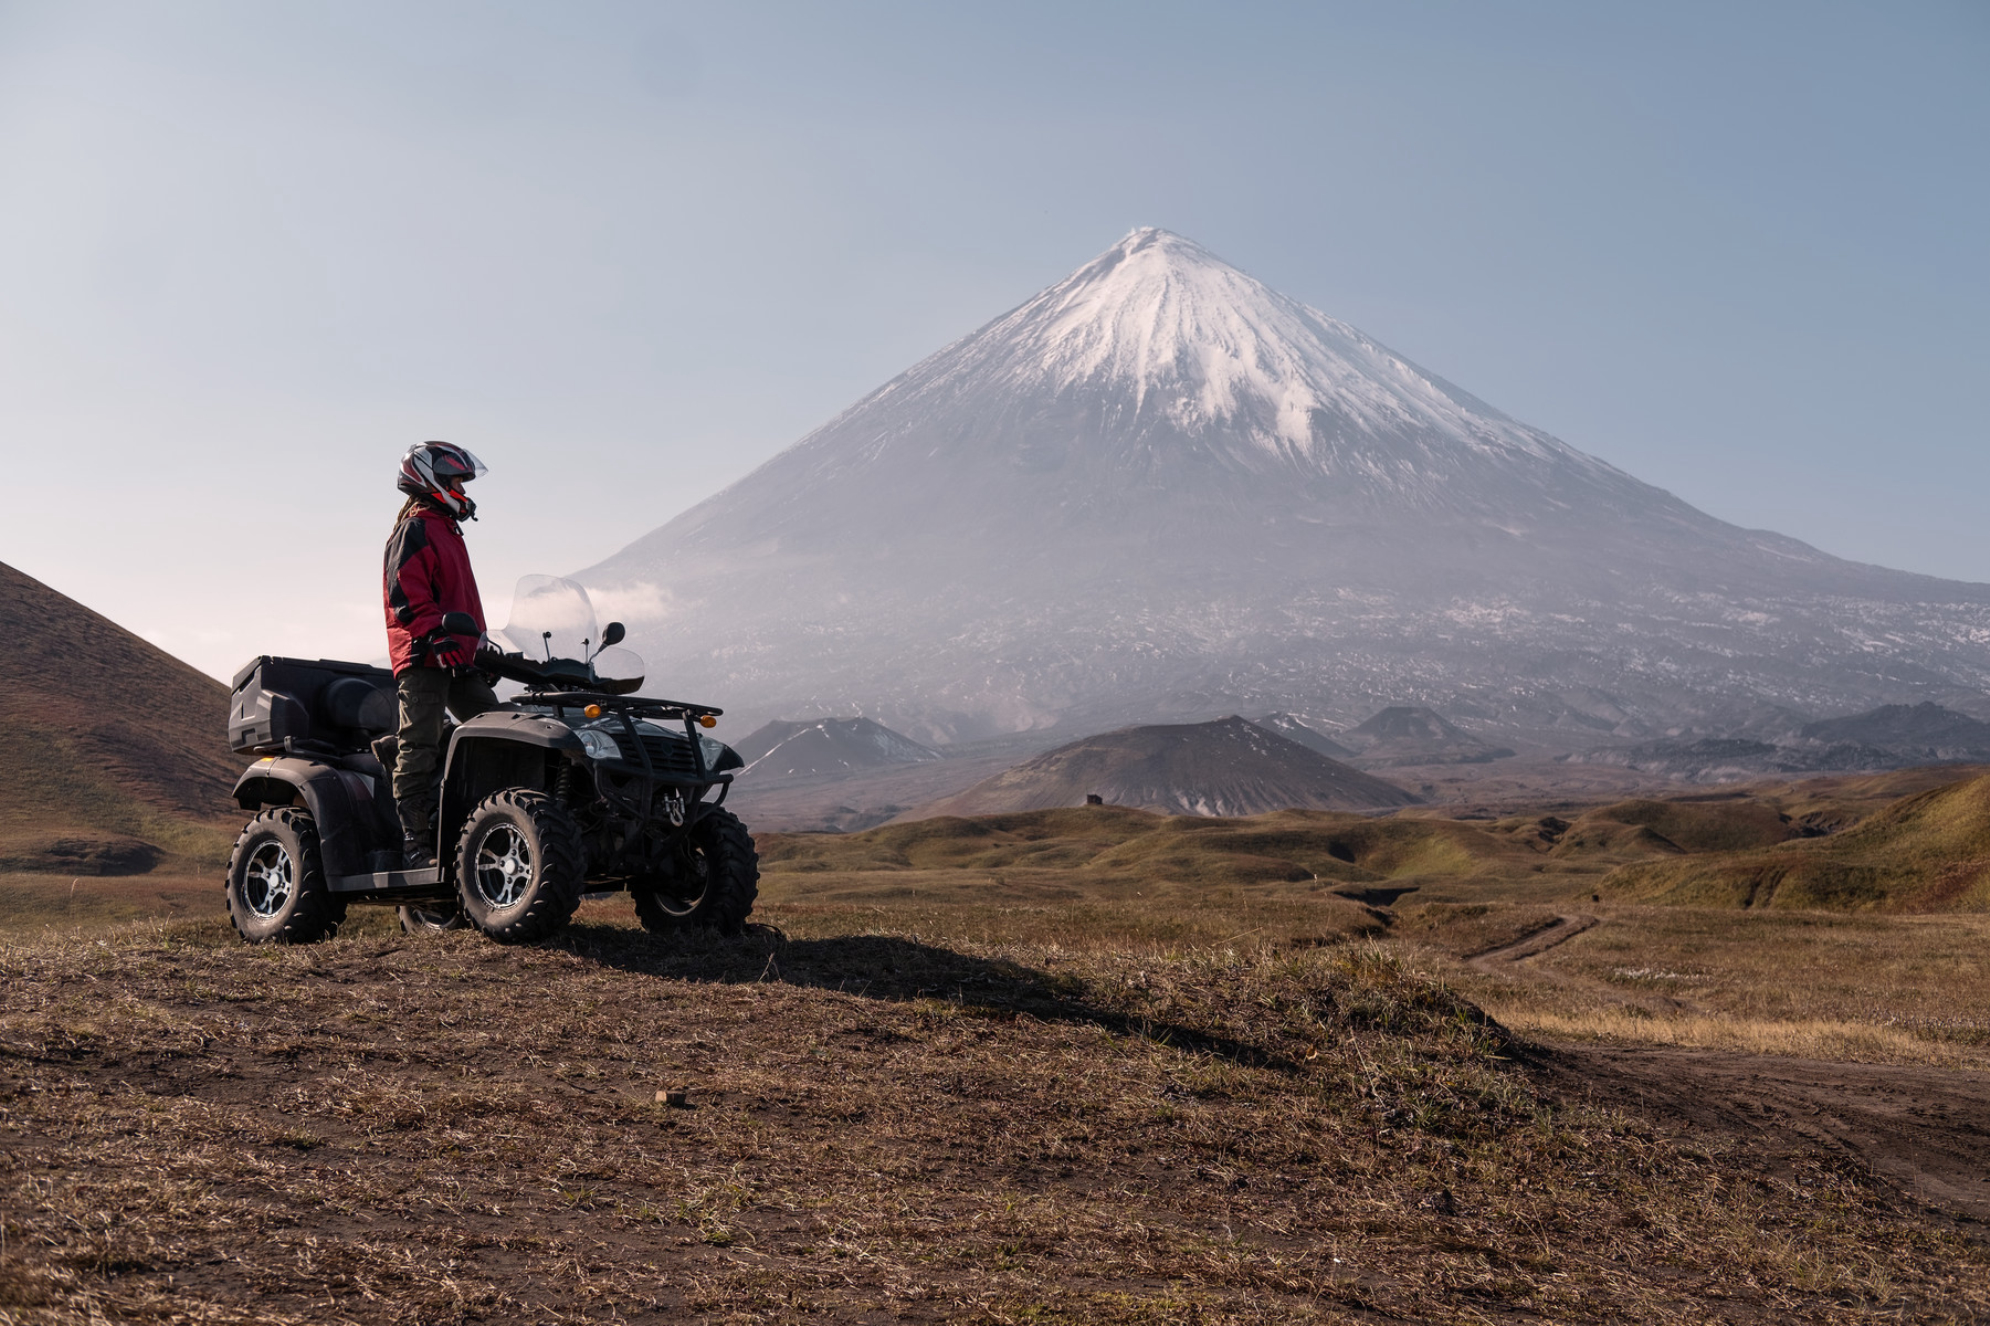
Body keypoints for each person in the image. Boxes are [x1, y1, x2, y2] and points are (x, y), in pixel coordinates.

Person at [382, 441, 499, 867]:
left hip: (458, 657)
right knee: (419, 744)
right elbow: (405, 596)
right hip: (423, 655)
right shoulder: (416, 528)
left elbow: (463, 600)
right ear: (429, 480)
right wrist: (436, 636)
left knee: (496, 730)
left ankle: (484, 825)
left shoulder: (448, 530)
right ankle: (414, 842)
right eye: (454, 480)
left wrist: (481, 647)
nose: (461, 488)